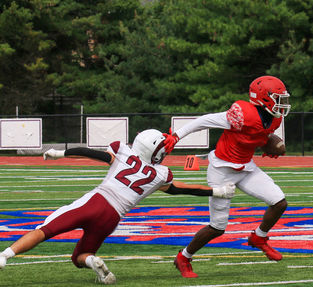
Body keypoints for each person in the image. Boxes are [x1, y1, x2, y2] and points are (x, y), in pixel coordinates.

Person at [0, 129, 235, 284]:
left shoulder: (123, 151)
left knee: (45, 230)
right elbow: (181, 189)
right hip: (112, 217)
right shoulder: (160, 174)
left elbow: (90, 153)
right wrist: (218, 191)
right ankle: (93, 262)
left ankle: (4, 256)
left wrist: (59, 153)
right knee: (80, 256)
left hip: (95, 202)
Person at [163, 75, 291, 278]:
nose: (282, 103)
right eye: (278, 98)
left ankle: (259, 238)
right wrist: (177, 135)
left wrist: (272, 144)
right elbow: (205, 121)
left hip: (246, 168)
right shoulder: (242, 114)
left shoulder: (275, 117)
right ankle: (184, 257)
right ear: (263, 98)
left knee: (279, 202)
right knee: (217, 227)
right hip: (222, 170)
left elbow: (260, 134)